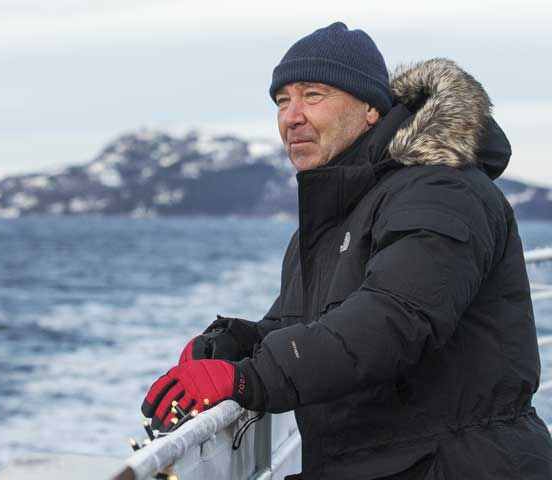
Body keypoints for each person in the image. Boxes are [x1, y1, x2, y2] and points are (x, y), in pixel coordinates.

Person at [141, 22, 552, 478]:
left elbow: (394, 320)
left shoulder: (440, 189)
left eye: (312, 95)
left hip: (454, 463)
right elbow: (301, 325)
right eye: (282, 100)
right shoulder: (337, 216)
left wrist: (245, 381)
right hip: (379, 462)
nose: (291, 116)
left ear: (371, 109)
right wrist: (227, 347)